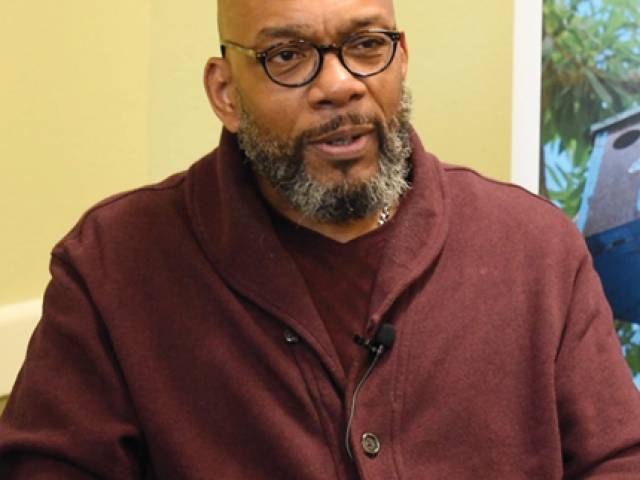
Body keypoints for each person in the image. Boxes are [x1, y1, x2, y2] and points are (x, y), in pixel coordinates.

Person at [1, 0, 639, 477]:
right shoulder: (112, 269)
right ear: (225, 92)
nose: (339, 84)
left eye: (366, 44)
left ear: (402, 57)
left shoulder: (535, 252)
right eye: (288, 56)